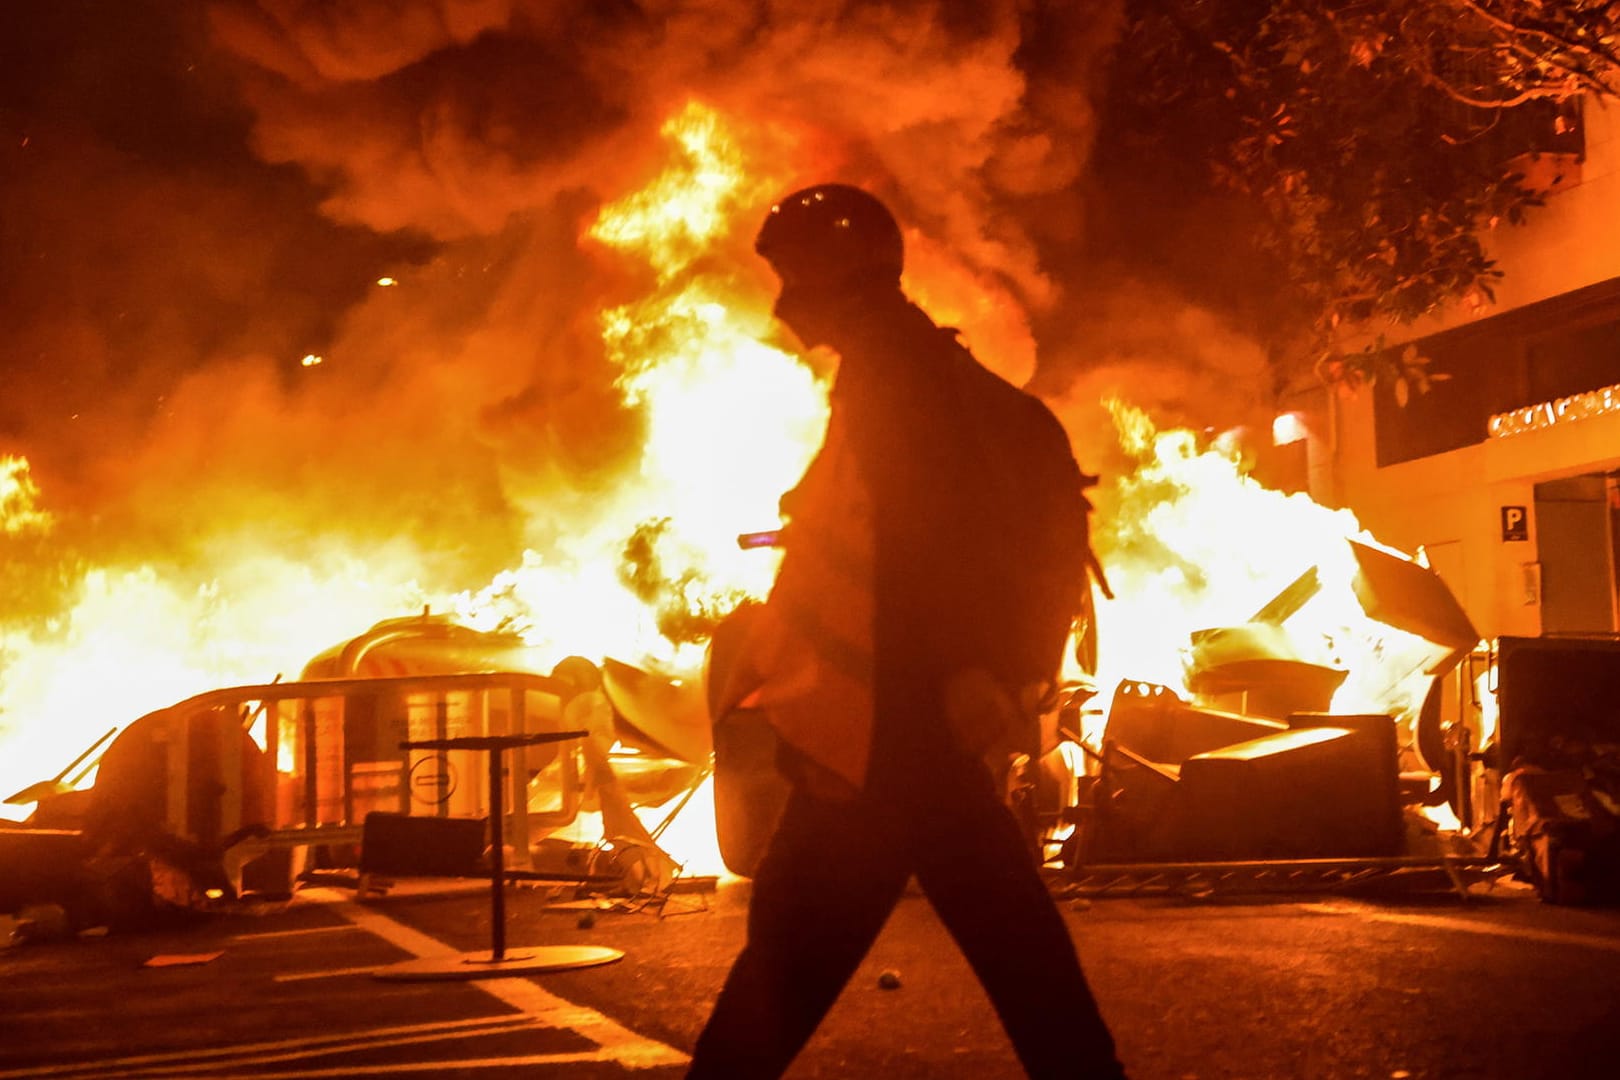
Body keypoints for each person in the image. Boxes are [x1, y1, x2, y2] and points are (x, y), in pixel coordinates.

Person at [688, 183, 1125, 1079]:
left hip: (884, 743)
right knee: (1017, 953)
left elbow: (920, 547)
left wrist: (955, 668)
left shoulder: (899, 385)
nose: (782, 301)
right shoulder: (908, 372)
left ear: (839, 277)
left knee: (787, 969)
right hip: (903, 740)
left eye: (792, 277)